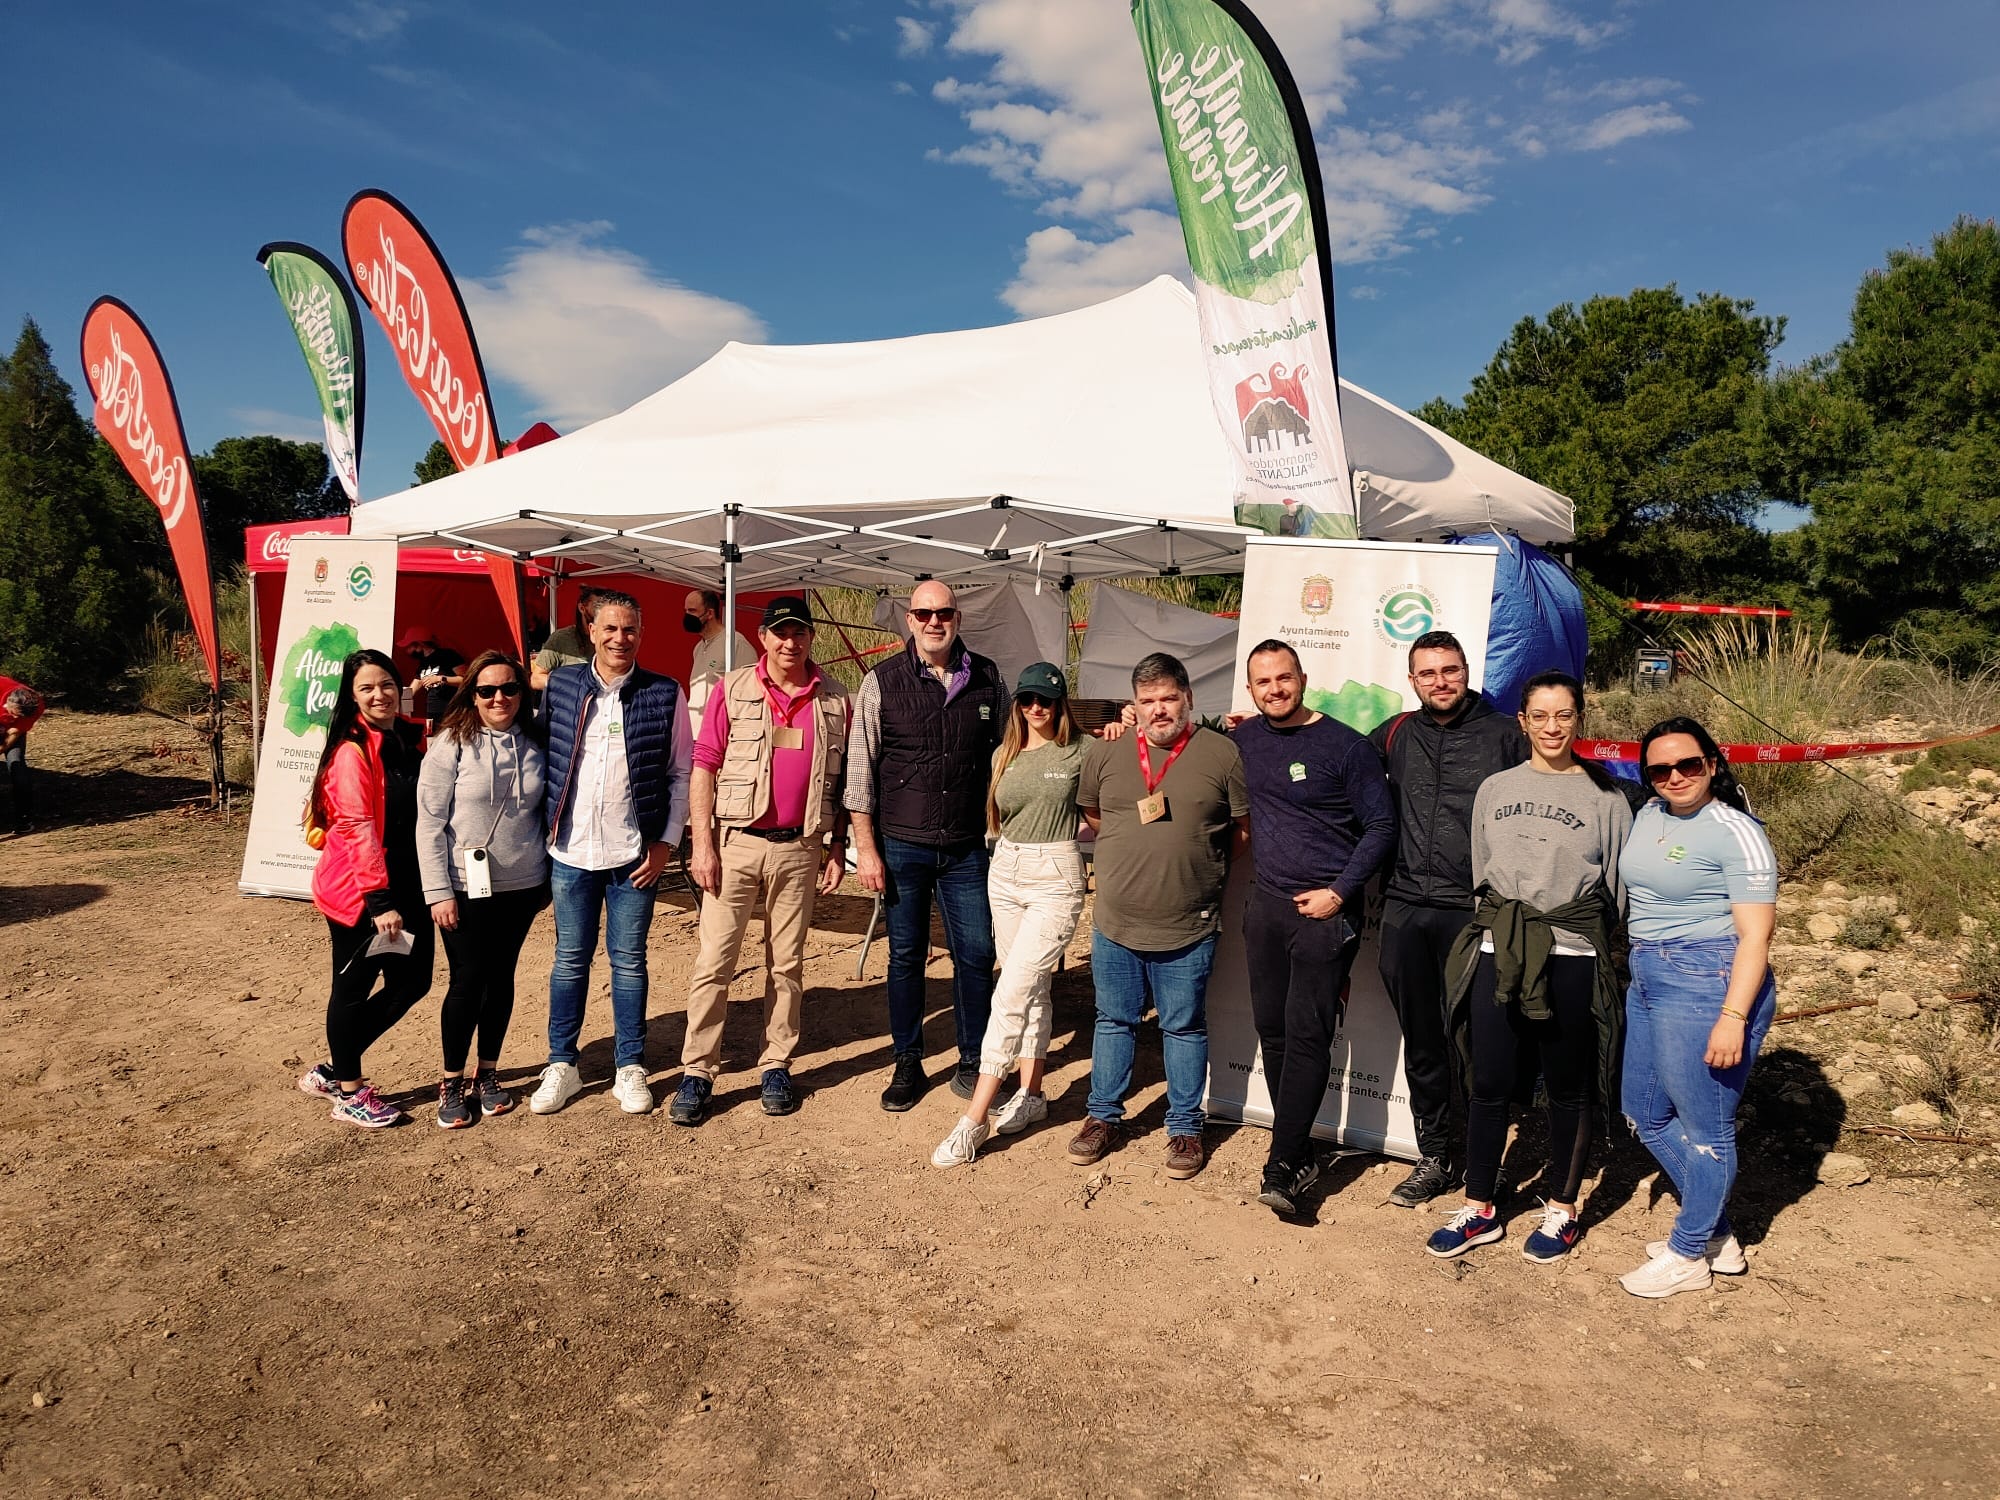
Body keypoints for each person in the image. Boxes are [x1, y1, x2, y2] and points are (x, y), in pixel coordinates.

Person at [1425, 671, 1633, 1262]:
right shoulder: (1494, 789)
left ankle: (1563, 1209)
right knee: (1488, 1084)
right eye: (1539, 716)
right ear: (1522, 721)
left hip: (1572, 955)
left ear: (1579, 719)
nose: (1551, 727)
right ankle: (1481, 1205)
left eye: (1563, 715)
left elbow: (1615, 888)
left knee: (1569, 1087)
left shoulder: (1607, 797)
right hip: (1500, 952)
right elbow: (1481, 872)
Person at [1067, 652, 1248, 1182]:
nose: (1159, 709)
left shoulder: (1223, 754)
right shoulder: (1107, 753)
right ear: (1135, 705)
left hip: (1188, 925)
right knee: (1113, 1021)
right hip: (1116, 922)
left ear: (1188, 698)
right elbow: (1096, 816)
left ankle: (1186, 1127)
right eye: (1148, 701)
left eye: (1168, 698)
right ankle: (1103, 1117)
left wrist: (1193, 869)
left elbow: (1240, 833)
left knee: (1183, 1027)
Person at [670, 597, 851, 1126]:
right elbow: (704, 766)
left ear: (810, 638)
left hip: (801, 847)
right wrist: (700, 845)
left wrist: (836, 846)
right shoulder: (733, 688)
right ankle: (698, 1071)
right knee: (714, 963)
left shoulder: (836, 698)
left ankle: (777, 1062)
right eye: (780, 633)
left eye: (799, 633)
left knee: (787, 965)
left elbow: (840, 784)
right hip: (736, 845)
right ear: (764, 637)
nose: (790, 642)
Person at [1615, 716, 1778, 1298]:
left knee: (1706, 1128)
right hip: (1649, 973)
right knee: (1642, 1110)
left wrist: (1733, 1016)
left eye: (1688, 764)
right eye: (1660, 769)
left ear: (1713, 763)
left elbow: (1756, 937)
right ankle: (1717, 1234)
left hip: (1708, 978)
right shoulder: (1650, 814)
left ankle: (1688, 1253)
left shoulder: (1734, 830)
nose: (1675, 776)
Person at [1232, 641, 1396, 1214]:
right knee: (1272, 1032)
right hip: (1267, 909)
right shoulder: (1243, 740)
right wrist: (1121, 726)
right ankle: (1297, 1146)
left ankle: (1282, 1164)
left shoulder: (1346, 747)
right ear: (1249, 689)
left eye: (1283, 678)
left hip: (1324, 914)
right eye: (1263, 682)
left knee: (1306, 1035)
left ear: (1303, 678)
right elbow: (1181, 745)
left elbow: (1380, 826)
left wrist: (1339, 893)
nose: (1274, 689)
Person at [1368, 630, 1528, 1207]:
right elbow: (1330, 763)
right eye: (1428, 673)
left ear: (1467, 671)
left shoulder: (1507, 735)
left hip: (1476, 911)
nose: (1441, 682)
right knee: (1426, 1041)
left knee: (1485, 1041)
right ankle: (1435, 1155)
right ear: (1412, 680)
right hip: (1408, 908)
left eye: (1450, 671)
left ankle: (1487, 1157)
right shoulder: (1394, 734)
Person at [528, 590, 692, 1118]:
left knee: (629, 963)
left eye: (630, 630)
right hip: (571, 851)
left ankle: (630, 1065)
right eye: (611, 629)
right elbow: (542, 755)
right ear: (591, 632)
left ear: (640, 635)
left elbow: (681, 773)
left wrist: (666, 843)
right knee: (569, 961)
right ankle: (562, 1065)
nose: (620, 639)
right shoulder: (562, 685)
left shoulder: (665, 693)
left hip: (633, 855)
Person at [846, 580, 1005, 1111]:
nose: (934, 622)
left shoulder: (987, 677)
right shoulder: (881, 682)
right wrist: (865, 849)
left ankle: (972, 1058)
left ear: (958, 618)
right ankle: (907, 1061)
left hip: (965, 847)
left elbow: (1009, 754)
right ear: (909, 621)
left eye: (944, 613)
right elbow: (859, 771)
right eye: (923, 613)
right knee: (906, 956)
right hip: (902, 845)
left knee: (977, 955)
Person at [931, 663, 1092, 1169]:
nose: (1035, 709)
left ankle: (974, 1119)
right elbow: (998, 817)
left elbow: (1121, 778)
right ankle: (1033, 1094)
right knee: (1033, 989)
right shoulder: (1004, 754)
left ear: (1061, 703)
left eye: (1044, 700)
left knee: (1011, 992)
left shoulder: (1083, 750)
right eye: (1026, 700)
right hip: (1006, 870)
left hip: (1056, 874)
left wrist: (1125, 726)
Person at [296, 650, 434, 1127]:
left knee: (413, 981)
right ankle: (349, 1091)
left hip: (409, 885)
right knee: (353, 989)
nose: (381, 695)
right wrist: (379, 901)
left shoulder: (403, 737)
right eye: (367, 688)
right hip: (362, 896)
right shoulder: (352, 751)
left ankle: (335, 1067)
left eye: (388, 684)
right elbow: (356, 826)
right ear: (351, 696)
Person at [417, 651, 550, 1129]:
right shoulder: (450, 742)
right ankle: (452, 1079)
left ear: (522, 692)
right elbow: (429, 823)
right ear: (471, 694)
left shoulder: (536, 741)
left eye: (510, 688)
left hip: (522, 884)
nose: (500, 698)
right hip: (463, 885)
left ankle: (488, 1073)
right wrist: (437, 891)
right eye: (487, 690)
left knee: (502, 979)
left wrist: (547, 880)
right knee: (467, 981)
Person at [684, 588, 756, 738]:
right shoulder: (698, 648)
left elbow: (750, 691)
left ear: (709, 613)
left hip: (720, 737)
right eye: (686, 611)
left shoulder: (735, 643)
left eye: (692, 611)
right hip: (695, 736)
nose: (687, 616)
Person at [531, 588, 602, 691]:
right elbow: (536, 679)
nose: (601, 612)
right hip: (571, 704)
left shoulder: (611, 638)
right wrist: (569, 687)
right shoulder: (562, 638)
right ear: (582, 607)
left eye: (604, 608)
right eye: (597, 607)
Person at [400, 628, 466, 737]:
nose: (407, 651)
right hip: (433, 715)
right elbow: (412, 689)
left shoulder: (448, 655)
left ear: (419, 644)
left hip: (452, 713)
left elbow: (467, 679)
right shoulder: (423, 663)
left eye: (409, 646)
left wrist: (441, 679)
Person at [0, 679, 45, 835]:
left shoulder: (35, 705)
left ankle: (23, 820)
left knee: (16, 764)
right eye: (13, 713)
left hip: (12, 734)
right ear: (9, 701)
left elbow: (14, 733)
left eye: (18, 716)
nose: (14, 717)